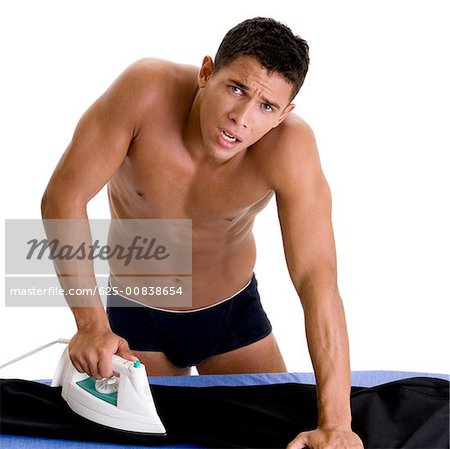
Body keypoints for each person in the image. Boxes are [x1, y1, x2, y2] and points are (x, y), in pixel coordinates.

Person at [41, 17, 363, 449]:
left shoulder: (290, 148)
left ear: (284, 114)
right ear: (207, 72)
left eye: (267, 107)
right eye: (236, 88)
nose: (241, 118)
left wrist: (338, 425)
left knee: (283, 437)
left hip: (232, 316)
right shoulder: (145, 91)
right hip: (139, 316)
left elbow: (317, 278)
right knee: (160, 441)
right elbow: (63, 198)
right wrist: (91, 325)